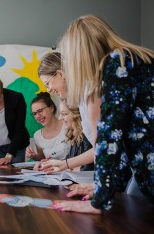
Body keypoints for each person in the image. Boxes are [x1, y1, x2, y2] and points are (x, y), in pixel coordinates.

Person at [53, 15, 154, 214]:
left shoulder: (118, 62)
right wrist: (103, 188)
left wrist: (99, 201)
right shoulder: (139, 59)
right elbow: (128, 135)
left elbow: (110, 136)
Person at [36, 52, 95, 172]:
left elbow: (101, 148)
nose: (49, 90)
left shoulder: (89, 94)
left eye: (47, 84)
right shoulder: (81, 97)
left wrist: (64, 165)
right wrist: (58, 165)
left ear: (60, 74)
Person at [26, 92, 70, 162]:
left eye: (40, 111)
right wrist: (34, 156)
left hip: (71, 169)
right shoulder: (37, 135)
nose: (37, 116)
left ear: (51, 108)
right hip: (52, 171)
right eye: (34, 114)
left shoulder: (67, 125)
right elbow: (42, 157)